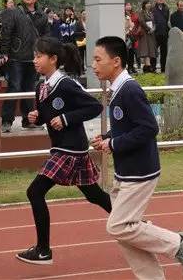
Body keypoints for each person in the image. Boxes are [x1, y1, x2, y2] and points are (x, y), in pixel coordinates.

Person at [90, 36, 183, 278]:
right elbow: (129, 125)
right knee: (126, 232)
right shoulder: (118, 89)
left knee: (118, 226)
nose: (93, 65)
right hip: (126, 170)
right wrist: (107, 137)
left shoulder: (129, 89)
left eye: (98, 59)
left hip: (139, 172)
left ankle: (178, 243)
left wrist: (114, 143)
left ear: (116, 61)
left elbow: (149, 128)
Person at [16, 37, 111, 265]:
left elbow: (94, 106)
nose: (35, 60)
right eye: (35, 55)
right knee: (94, 195)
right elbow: (45, 115)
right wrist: (36, 118)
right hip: (61, 147)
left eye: (39, 56)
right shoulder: (41, 86)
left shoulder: (66, 84)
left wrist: (66, 118)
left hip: (70, 149)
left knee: (35, 192)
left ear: (53, 59)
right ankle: (132, 221)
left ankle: (43, 250)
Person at [0, 0, 50, 133]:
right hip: (16, 57)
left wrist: (44, 55)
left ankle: (28, 120)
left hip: (34, 58)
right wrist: (4, 53)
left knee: (29, 89)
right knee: (14, 87)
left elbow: (46, 37)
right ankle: (7, 120)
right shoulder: (14, 12)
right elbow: (6, 33)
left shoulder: (42, 16)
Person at [152, 0, 171, 73]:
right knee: (154, 51)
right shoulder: (153, 9)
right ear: (155, 0)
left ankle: (163, 68)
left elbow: (166, 20)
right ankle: (153, 68)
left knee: (164, 52)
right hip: (155, 33)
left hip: (164, 33)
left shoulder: (166, 8)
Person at [137, 0, 157, 73]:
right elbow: (141, 21)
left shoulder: (151, 12)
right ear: (144, 4)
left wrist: (153, 28)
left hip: (151, 34)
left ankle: (147, 67)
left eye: (149, 3)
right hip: (144, 34)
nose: (149, 5)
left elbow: (154, 22)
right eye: (147, 3)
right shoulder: (141, 12)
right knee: (146, 50)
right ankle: (148, 67)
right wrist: (149, 29)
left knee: (150, 50)